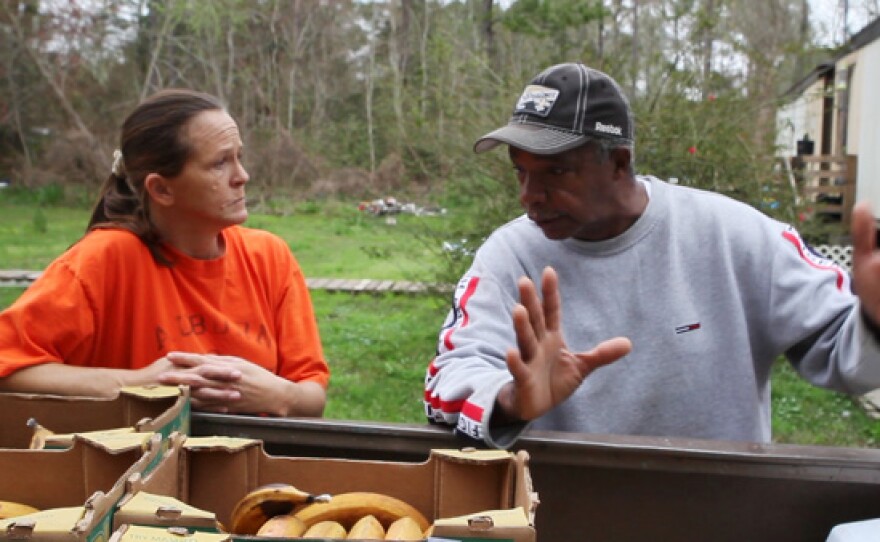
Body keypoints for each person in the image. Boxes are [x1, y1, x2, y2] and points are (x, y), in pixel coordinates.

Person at [423, 62, 880, 449]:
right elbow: (449, 377)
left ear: (619, 163)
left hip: (720, 511)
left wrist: (874, 320)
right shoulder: (510, 255)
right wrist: (509, 399)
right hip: (556, 510)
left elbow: (845, 353)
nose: (530, 196)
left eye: (556, 172)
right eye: (520, 172)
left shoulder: (735, 235)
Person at [0, 89, 329, 417]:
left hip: (252, 463)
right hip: (136, 465)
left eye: (238, 158)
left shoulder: (269, 257)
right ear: (161, 189)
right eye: (219, 163)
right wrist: (138, 384)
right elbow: (8, 364)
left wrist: (279, 395)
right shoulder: (105, 259)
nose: (242, 177)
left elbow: (312, 395)